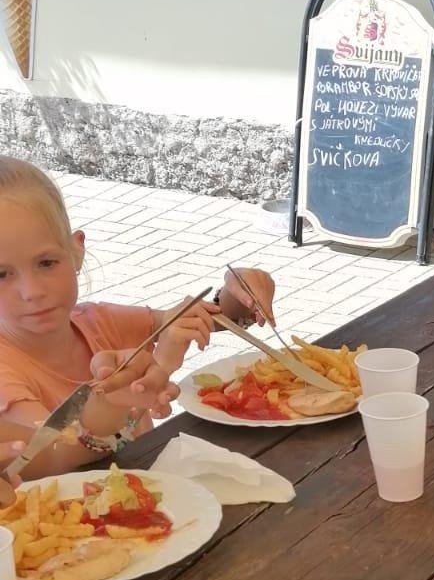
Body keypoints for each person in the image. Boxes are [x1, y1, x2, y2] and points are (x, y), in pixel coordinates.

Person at [0, 157, 276, 496]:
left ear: (76, 251)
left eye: (46, 263)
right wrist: (158, 367)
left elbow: (198, 321)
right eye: (1, 274)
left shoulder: (98, 321)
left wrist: (237, 295)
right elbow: (53, 454)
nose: (31, 291)